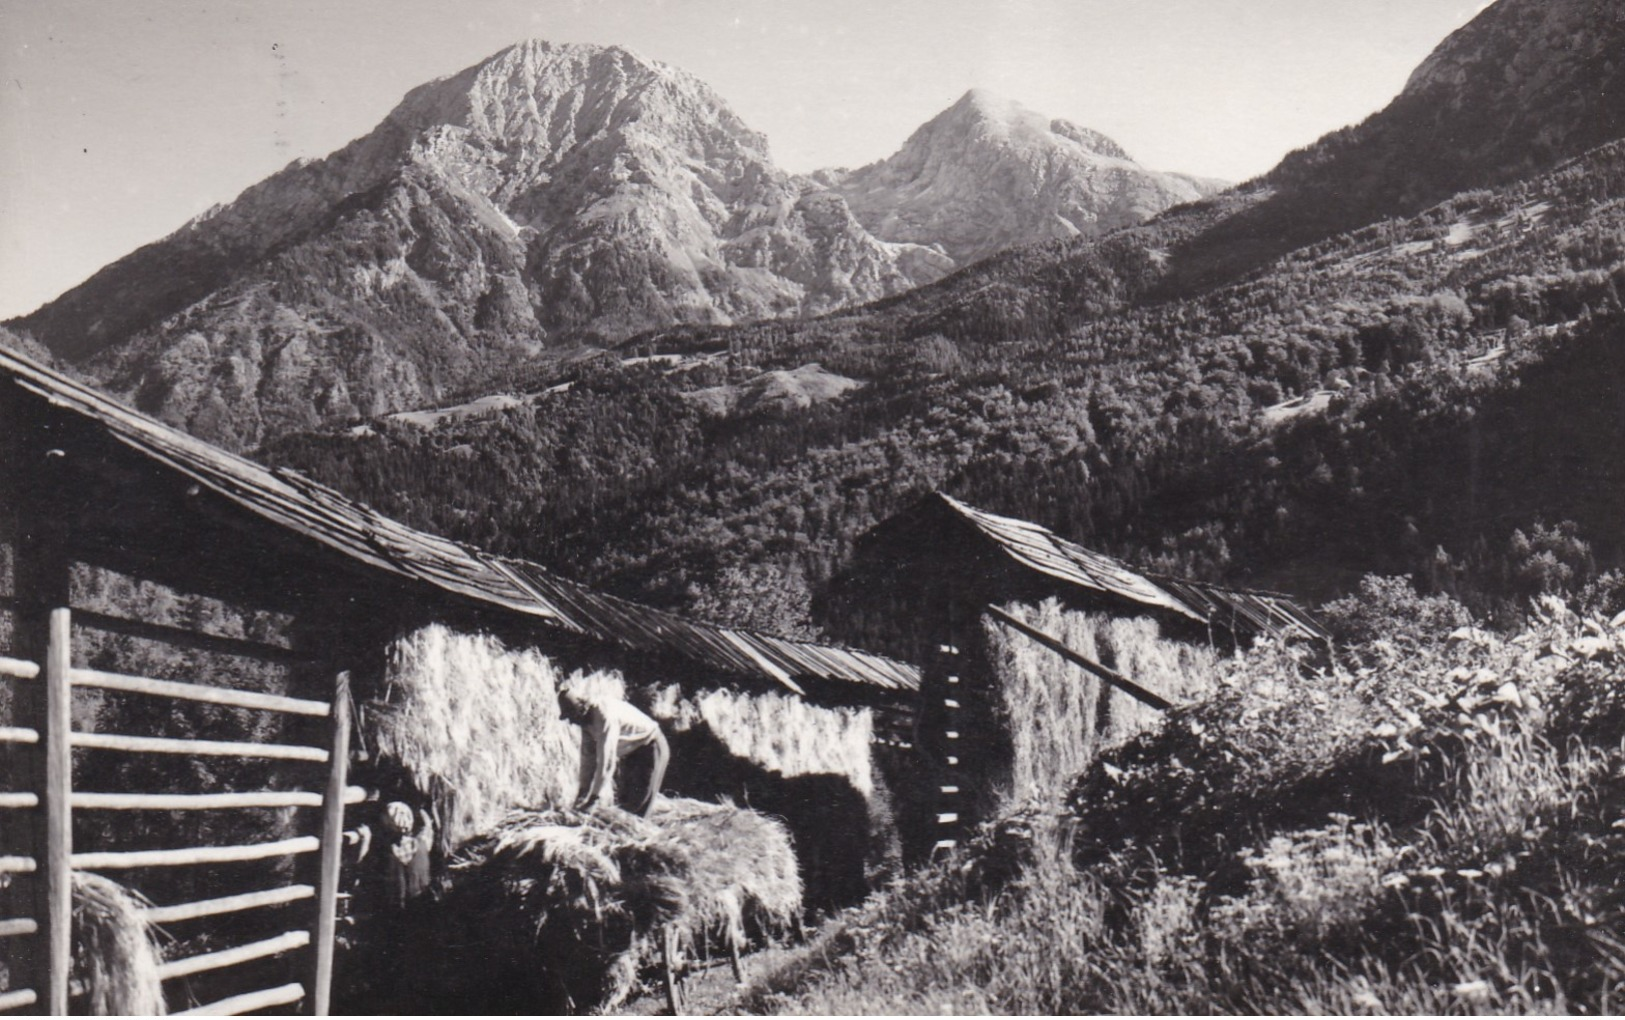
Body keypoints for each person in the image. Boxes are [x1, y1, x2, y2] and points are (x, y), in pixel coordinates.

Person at [558, 684, 669, 816]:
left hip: (651, 747)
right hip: (630, 752)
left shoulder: (604, 716)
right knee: (623, 803)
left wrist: (594, 799)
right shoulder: (585, 723)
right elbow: (588, 760)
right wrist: (582, 793)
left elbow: (607, 763)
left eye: (571, 716)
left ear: (581, 709)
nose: (571, 721)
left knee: (637, 810)